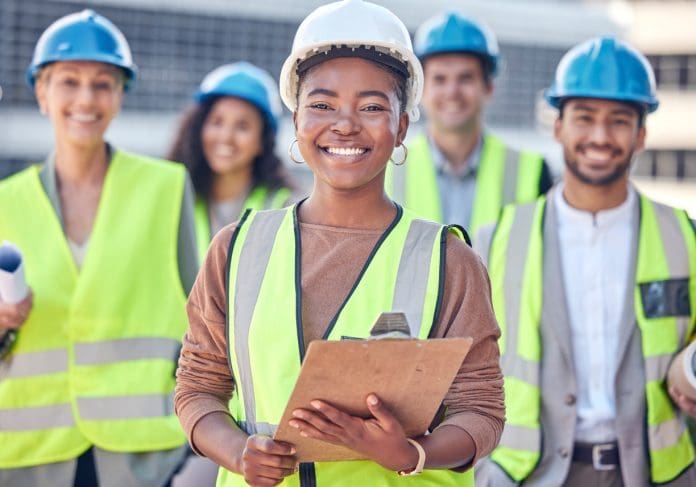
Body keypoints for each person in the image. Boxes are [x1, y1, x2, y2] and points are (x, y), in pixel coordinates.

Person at [174, 0, 504, 485]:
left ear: (402, 127)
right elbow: (198, 388)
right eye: (322, 105)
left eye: (372, 107)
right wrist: (239, 452)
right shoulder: (237, 249)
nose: (345, 124)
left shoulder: (448, 260)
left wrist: (413, 452)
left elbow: (482, 409)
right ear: (296, 121)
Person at [474, 36, 696, 486]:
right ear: (558, 127)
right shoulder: (494, 240)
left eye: (618, 121)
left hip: (658, 475)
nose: (599, 136)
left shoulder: (685, 236)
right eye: (584, 118)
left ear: (641, 133)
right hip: (525, 475)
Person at [0, 10, 198, 486]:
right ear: (42, 93)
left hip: (142, 455)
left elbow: (203, 321)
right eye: (69, 82)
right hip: (28, 453)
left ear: (119, 96)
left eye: (103, 83)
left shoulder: (166, 189)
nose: (86, 98)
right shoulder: (5, 202)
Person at [386, 11, 552, 237]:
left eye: (465, 78)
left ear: (488, 87)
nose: (452, 92)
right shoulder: (385, 171)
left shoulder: (534, 173)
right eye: (440, 79)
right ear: (419, 91)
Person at [168, 62, 297, 262]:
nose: (226, 137)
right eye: (217, 122)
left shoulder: (287, 208)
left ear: (263, 141)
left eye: (242, 126)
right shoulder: (173, 198)